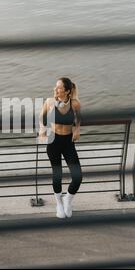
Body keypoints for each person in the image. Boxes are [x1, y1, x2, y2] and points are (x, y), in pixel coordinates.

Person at [39, 77, 82, 218]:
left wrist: (77, 130)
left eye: (59, 88)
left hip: (68, 142)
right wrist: (42, 128)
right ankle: (58, 203)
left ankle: (67, 200)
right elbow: (41, 116)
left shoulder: (75, 104)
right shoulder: (50, 101)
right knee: (57, 174)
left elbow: (78, 119)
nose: (55, 89)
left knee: (78, 176)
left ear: (67, 91)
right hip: (53, 141)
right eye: (55, 87)